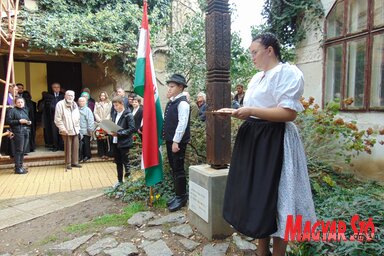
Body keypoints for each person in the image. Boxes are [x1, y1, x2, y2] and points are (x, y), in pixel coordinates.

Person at [220, 33, 316, 256]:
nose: (252, 57)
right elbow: (254, 110)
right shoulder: (257, 78)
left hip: (275, 141)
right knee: (259, 198)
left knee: (279, 199)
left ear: (270, 50)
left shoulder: (288, 73)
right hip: (254, 141)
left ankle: (279, 253)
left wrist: (251, 111)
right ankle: (262, 252)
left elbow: (288, 113)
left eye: (255, 52)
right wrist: (237, 113)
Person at [163, 74, 191, 212]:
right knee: (174, 168)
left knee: (178, 169)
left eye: (172, 86)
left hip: (177, 142)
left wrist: (176, 141)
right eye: (169, 86)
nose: (170, 88)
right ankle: (178, 194)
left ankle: (182, 197)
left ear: (181, 87)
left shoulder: (183, 103)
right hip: (170, 140)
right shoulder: (172, 102)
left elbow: (182, 123)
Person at [110, 96, 135, 188]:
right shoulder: (114, 114)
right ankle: (120, 181)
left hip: (125, 143)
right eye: (114, 106)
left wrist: (119, 133)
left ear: (122, 104)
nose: (115, 107)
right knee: (118, 162)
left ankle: (128, 183)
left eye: (116, 105)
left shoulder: (128, 114)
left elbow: (132, 129)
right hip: (115, 142)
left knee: (126, 162)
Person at [54, 90, 82, 170]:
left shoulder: (75, 104)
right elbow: (57, 119)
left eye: (72, 96)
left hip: (75, 129)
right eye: (68, 95)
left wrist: (78, 127)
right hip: (66, 129)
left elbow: (77, 116)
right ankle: (68, 163)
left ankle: (75, 162)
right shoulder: (60, 104)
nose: (70, 97)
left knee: (75, 146)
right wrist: (62, 129)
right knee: (68, 147)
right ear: (65, 96)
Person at [6, 97, 31, 174]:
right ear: (15, 103)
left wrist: (28, 122)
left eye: (22, 102)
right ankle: (17, 168)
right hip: (17, 132)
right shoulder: (12, 110)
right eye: (18, 102)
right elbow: (8, 121)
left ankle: (21, 166)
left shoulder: (25, 110)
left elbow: (26, 119)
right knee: (19, 150)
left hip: (26, 131)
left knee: (23, 150)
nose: (20, 104)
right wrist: (19, 121)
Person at [94, 91, 112, 158]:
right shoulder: (97, 104)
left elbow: (110, 112)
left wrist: (105, 120)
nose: (102, 97)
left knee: (106, 138)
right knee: (100, 138)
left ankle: (107, 153)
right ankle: (101, 154)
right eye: (101, 95)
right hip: (100, 123)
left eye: (104, 95)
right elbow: (95, 113)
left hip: (107, 123)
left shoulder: (109, 103)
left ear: (106, 96)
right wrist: (100, 120)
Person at [78, 97, 94, 162]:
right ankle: (81, 156)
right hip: (79, 130)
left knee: (86, 144)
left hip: (86, 130)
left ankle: (87, 156)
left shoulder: (88, 110)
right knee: (80, 145)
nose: (81, 102)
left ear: (85, 102)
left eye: (83, 101)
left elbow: (90, 120)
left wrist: (90, 129)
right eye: (80, 101)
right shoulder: (77, 109)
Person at [50, 83, 65, 151]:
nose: (56, 88)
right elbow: (50, 107)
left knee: (62, 131)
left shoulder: (63, 96)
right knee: (54, 133)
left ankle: (62, 146)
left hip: (63, 118)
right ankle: (55, 146)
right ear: (52, 88)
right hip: (53, 117)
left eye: (58, 87)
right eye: (54, 87)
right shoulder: (49, 96)